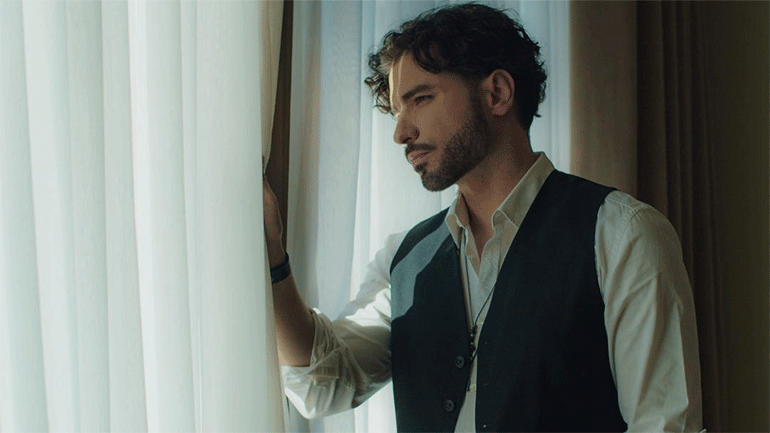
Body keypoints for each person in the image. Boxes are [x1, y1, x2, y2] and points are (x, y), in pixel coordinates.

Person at [263, 3, 703, 432]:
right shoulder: (406, 259)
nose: (401, 133)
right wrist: (274, 261)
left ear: (497, 93)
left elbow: (664, 425)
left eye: (421, 99)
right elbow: (323, 385)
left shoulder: (621, 235)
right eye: (397, 112)